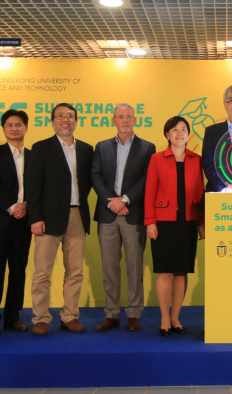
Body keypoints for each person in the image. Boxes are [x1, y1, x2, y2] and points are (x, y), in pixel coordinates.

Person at [26, 103, 94, 336]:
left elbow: (87, 183)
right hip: (47, 218)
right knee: (42, 272)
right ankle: (41, 318)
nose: (66, 120)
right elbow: (32, 187)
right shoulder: (41, 148)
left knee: (75, 271)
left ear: (76, 120)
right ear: (52, 121)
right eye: (60, 116)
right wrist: (35, 217)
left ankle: (69, 316)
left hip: (77, 215)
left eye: (70, 116)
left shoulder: (86, 150)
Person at [92, 103, 156, 332]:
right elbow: (96, 177)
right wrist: (112, 202)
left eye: (129, 116)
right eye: (120, 117)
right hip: (108, 214)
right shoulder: (101, 147)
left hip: (133, 213)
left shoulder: (147, 148)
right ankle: (111, 314)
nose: (125, 120)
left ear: (135, 119)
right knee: (110, 268)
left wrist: (125, 200)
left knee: (134, 267)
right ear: (113, 121)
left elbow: (147, 179)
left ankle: (133, 314)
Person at [145, 116, 204, 337]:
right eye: (175, 130)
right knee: (165, 271)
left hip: (188, 221)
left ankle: (176, 318)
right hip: (163, 222)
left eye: (183, 130)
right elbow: (149, 191)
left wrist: (202, 222)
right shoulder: (157, 158)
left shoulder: (197, 159)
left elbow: (200, 192)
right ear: (167, 134)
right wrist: (150, 221)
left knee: (181, 272)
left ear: (188, 134)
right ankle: (163, 319)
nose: (179, 133)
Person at [0, 110, 32, 335]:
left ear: (26, 128)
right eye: (9, 125)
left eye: (18, 124)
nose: (14, 128)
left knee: (18, 272)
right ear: (3, 129)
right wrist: (13, 206)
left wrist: (27, 205)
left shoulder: (34, 156)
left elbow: (39, 186)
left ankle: (13, 317)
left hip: (24, 223)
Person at [201, 84, 232, 192]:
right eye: (230, 100)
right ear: (224, 105)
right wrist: (224, 189)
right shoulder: (212, 132)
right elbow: (208, 164)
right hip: (219, 193)